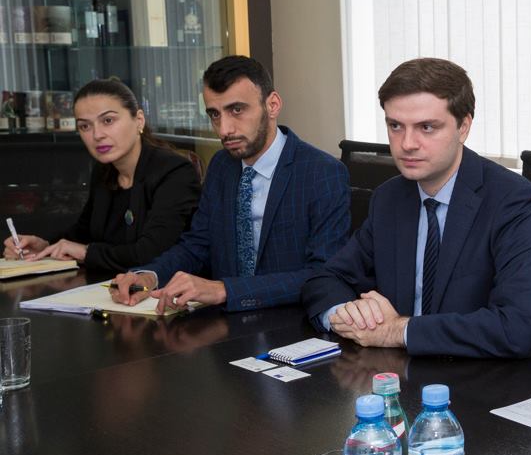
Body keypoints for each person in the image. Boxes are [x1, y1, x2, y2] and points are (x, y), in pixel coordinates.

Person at [301, 57, 531, 358]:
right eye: (395, 126)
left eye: (427, 127)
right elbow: (325, 279)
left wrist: (397, 331)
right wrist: (347, 315)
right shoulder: (389, 198)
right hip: (396, 370)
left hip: (478, 376)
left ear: (464, 127)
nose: (407, 144)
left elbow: (516, 328)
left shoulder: (513, 200)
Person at [109, 56, 350, 313]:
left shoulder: (322, 173)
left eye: (236, 110)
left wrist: (226, 290)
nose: (224, 130)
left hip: (291, 320)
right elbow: (197, 245)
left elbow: (322, 274)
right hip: (224, 322)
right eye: (215, 114)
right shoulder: (221, 166)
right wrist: (150, 276)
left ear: (272, 105)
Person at [3, 79, 200, 271]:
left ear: (139, 120)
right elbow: (83, 233)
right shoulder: (105, 170)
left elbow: (151, 253)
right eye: (85, 126)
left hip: (163, 288)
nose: (97, 135)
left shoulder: (175, 172)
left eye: (108, 120)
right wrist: (44, 246)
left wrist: (86, 252)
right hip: (108, 285)